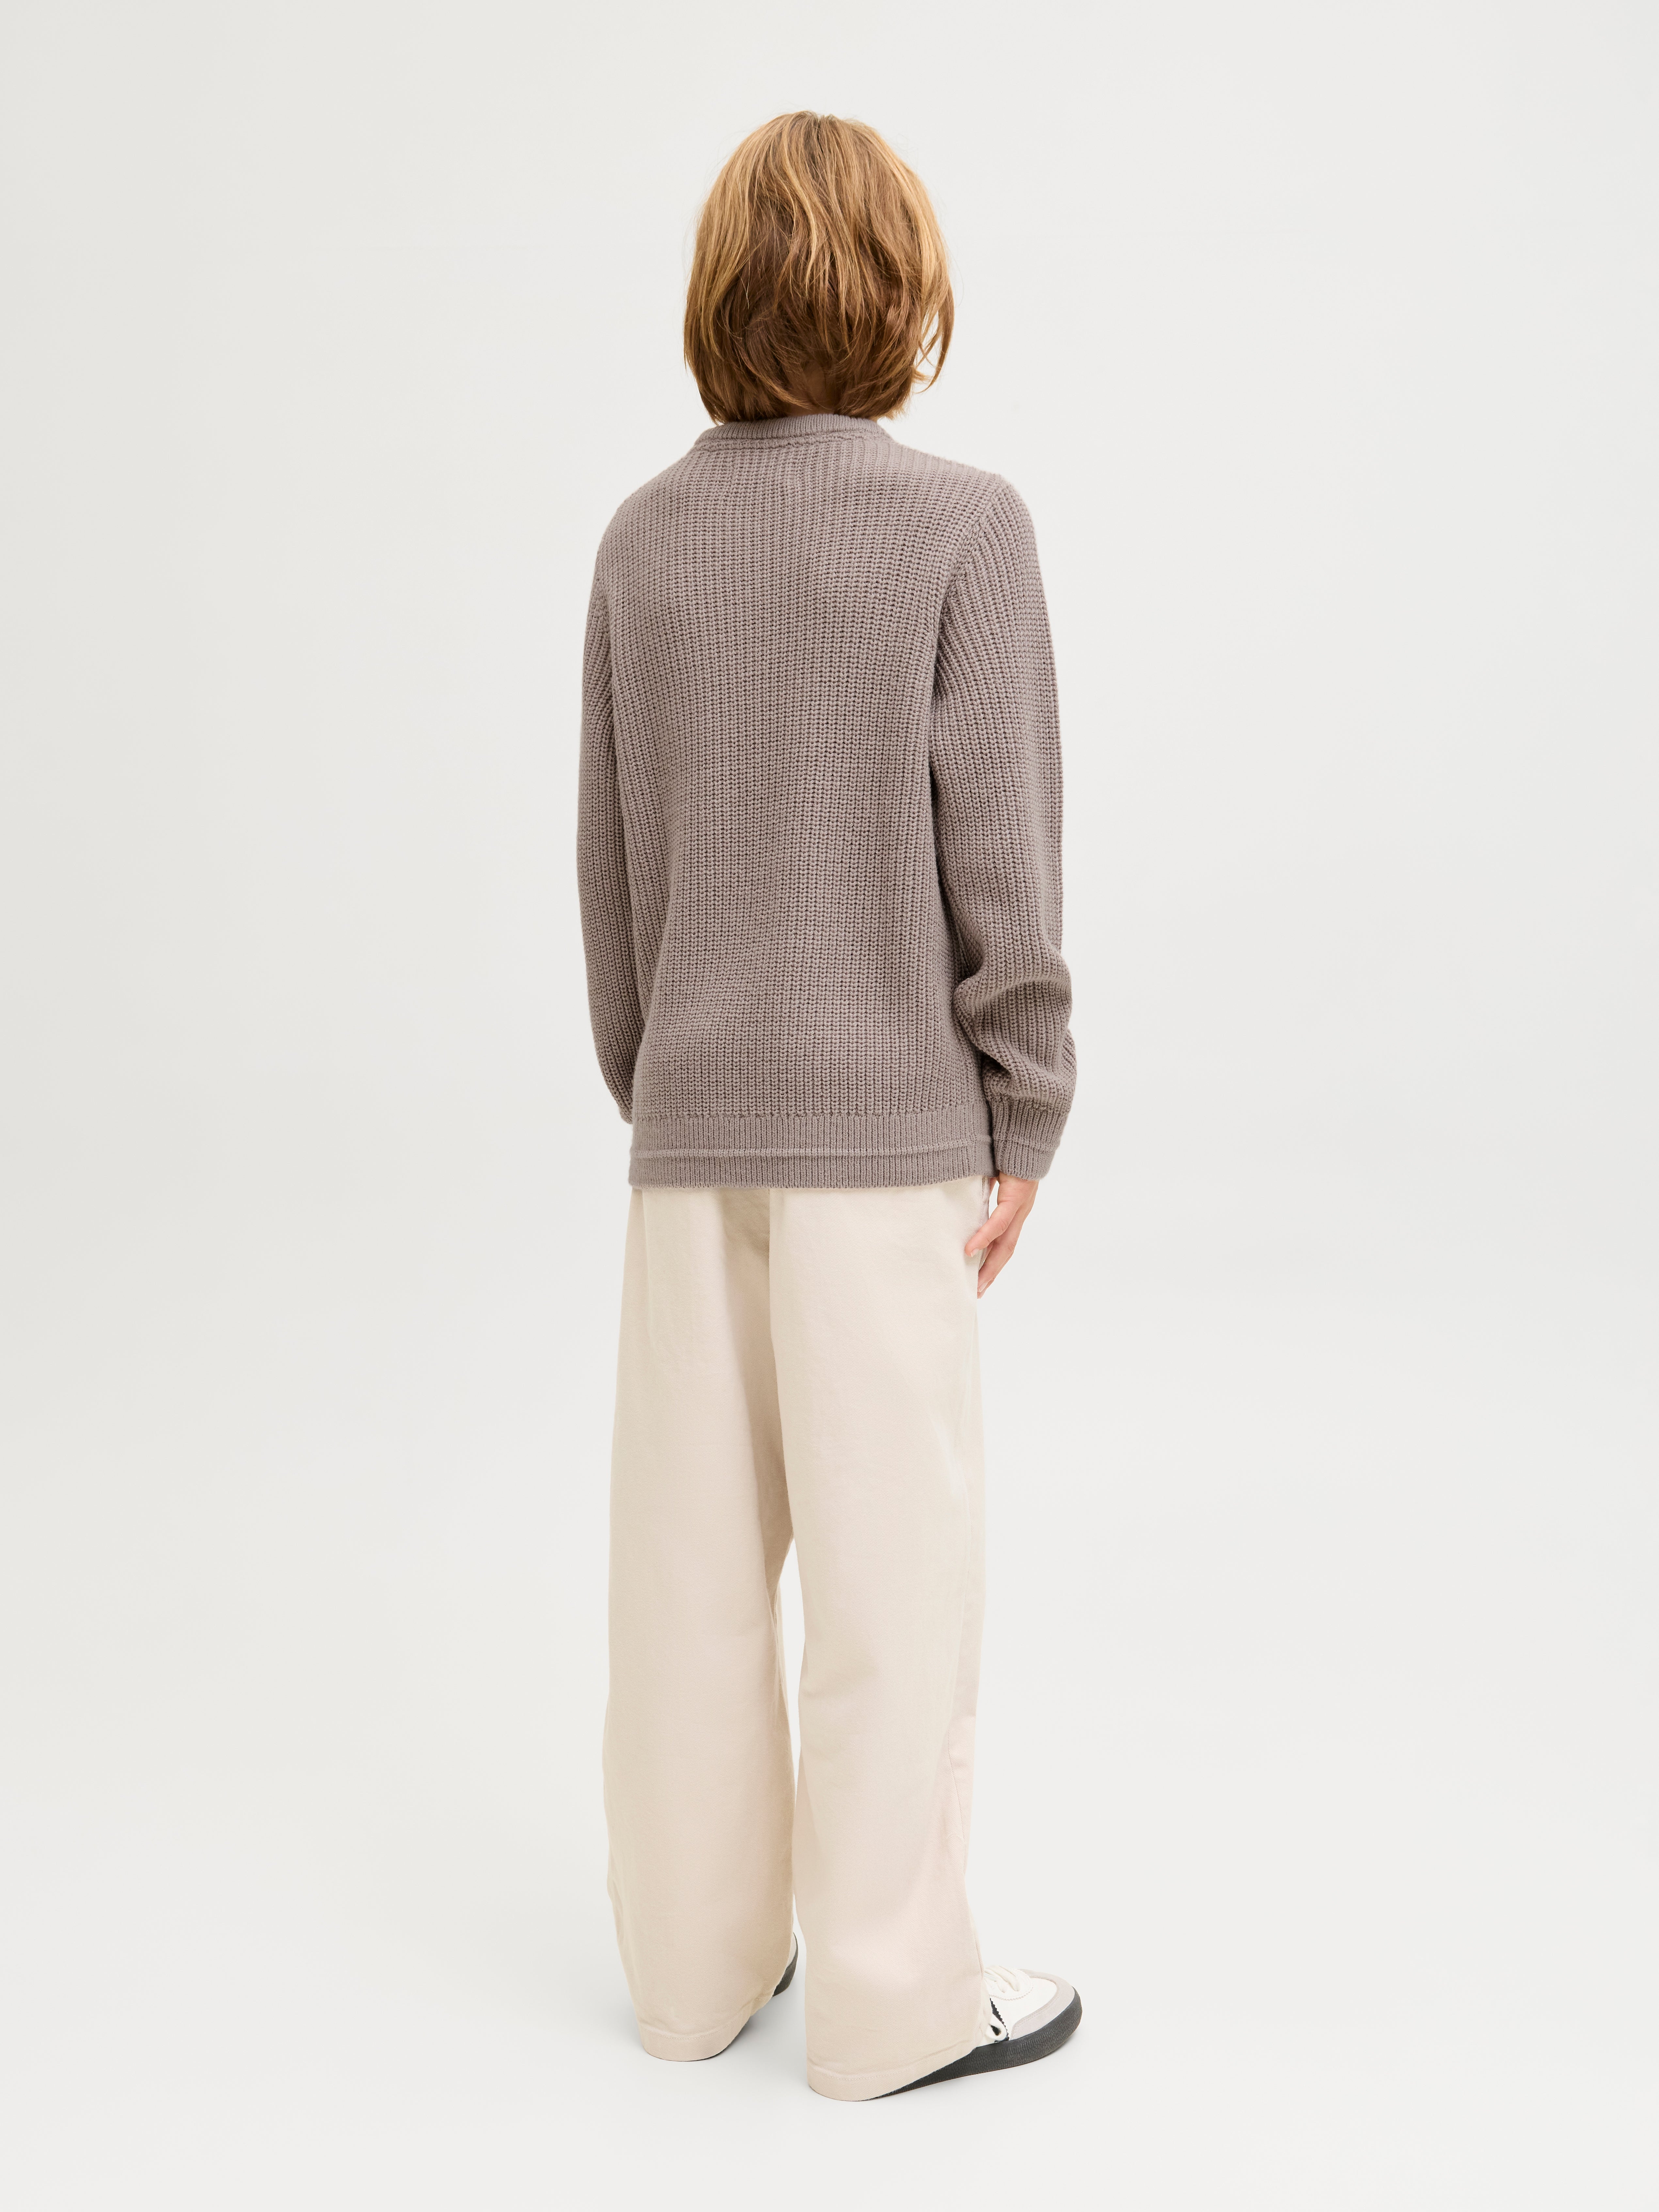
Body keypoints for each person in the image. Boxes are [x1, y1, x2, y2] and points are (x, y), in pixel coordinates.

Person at [577, 110, 1080, 2102]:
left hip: (690, 1135)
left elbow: (615, 877)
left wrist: (670, 1085)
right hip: (889, 1147)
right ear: (904, 298)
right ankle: (888, 2006)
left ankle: (694, 1977)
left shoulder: (642, 540)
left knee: (685, 1583)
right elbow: (1002, 861)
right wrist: (1022, 1107)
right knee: (894, 1586)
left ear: (721, 294)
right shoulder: (965, 530)